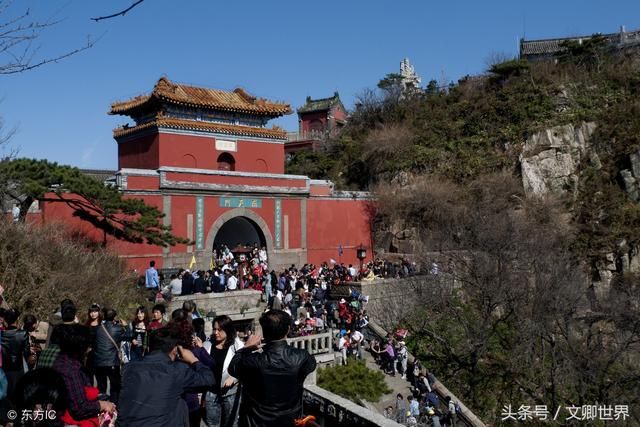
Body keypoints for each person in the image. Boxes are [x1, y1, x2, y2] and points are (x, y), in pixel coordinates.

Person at [228, 310, 316, 427]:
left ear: (264, 332)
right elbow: (311, 365)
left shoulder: (253, 360)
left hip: (257, 422)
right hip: (290, 420)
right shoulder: (301, 357)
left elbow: (233, 368)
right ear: (288, 329)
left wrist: (246, 347)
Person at [117, 323, 214, 426]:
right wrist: (193, 360)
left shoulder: (128, 368)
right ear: (175, 350)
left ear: (150, 347)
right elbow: (208, 380)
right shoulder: (176, 370)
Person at [52, 323, 115, 422]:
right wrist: (103, 405)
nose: (89, 349)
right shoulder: (71, 370)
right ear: (79, 347)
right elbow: (80, 408)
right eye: (88, 346)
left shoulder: (63, 361)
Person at [204, 315, 244, 427]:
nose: (216, 332)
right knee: (212, 424)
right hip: (211, 393)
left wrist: (234, 378)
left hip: (230, 393)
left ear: (228, 330)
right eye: (214, 329)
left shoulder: (237, 346)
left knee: (231, 423)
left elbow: (244, 367)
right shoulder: (207, 344)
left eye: (219, 330)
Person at [94, 308, 130, 404]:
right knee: (115, 386)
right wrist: (126, 326)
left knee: (101, 387)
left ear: (104, 316)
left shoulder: (97, 328)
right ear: (114, 317)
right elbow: (130, 336)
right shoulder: (118, 329)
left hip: (99, 362)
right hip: (112, 362)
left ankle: (102, 407)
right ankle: (114, 406)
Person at [1, 308, 30, 395]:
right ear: (17, 319)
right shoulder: (23, 334)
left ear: (5, 320)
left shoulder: (1, 334)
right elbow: (26, 353)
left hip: (4, 370)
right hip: (18, 370)